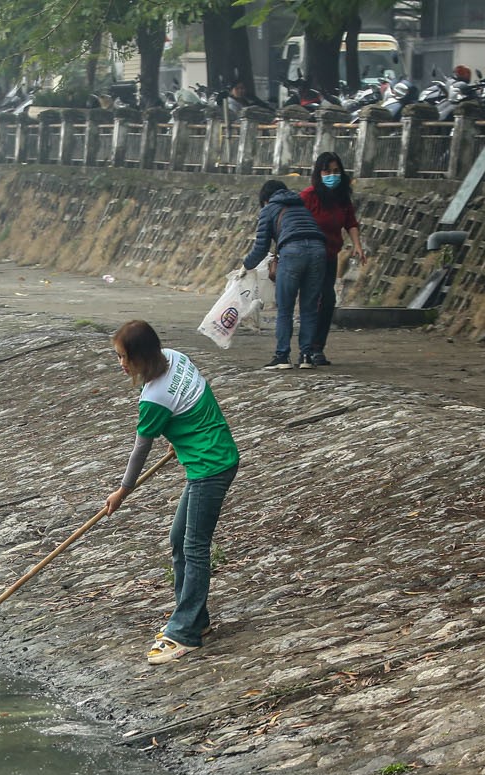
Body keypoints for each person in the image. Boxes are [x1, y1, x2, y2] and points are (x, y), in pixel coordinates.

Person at [101, 320, 240, 666]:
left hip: (210, 466)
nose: (121, 364)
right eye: (118, 356)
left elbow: (140, 450)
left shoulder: (153, 399)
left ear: (144, 355)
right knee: (179, 540)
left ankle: (185, 633)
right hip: (210, 455)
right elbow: (194, 402)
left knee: (194, 547)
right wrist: (180, 438)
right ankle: (195, 618)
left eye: (125, 357)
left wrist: (123, 490)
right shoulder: (176, 357)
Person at [238, 180, 328, 370]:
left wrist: (246, 265)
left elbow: (261, 247)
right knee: (309, 307)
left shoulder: (269, 209)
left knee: (285, 307)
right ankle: (306, 356)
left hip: (292, 253)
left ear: (265, 198)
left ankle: (282, 356)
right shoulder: (302, 207)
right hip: (319, 251)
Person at [299, 151, 368, 368]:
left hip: (329, 256)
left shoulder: (342, 198)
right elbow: (294, 222)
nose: (332, 175)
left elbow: (351, 223)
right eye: (327, 171)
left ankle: (317, 347)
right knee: (313, 300)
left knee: (328, 300)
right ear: (319, 173)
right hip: (309, 257)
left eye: (336, 171)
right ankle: (307, 349)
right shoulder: (308, 197)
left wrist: (357, 246)